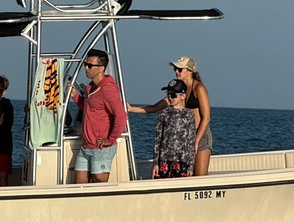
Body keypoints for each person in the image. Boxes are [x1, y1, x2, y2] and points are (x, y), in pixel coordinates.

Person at [128, 55, 212, 175]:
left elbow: (206, 118)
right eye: (175, 69)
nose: (176, 72)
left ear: (190, 71)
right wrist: (131, 109)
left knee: (199, 176)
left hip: (200, 135)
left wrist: (196, 140)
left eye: (180, 69)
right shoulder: (177, 91)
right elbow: (155, 107)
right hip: (183, 138)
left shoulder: (199, 88)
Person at [68, 49, 127, 183]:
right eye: (85, 64)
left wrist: (110, 140)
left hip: (101, 149)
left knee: (98, 183)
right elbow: (90, 109)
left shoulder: (107, 89)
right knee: (78, 185)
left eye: (89, 65)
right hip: (86, 146)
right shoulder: (91, 87)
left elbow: (121, 116)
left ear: (101, 68)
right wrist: (75, 96)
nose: (86, 68)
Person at [152, 79, 197, 178]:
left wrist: (191, 166)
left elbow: (191, 141)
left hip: (183, 160)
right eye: (168, 94)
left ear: (183, 96)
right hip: (164, 159)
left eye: (173, 95)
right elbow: (157, 139)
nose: (170, 97)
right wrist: (155, 163)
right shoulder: (163, 114)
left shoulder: (189, 115)